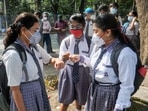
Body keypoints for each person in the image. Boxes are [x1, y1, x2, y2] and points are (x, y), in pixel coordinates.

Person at [69, 14, 137, 111]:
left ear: (108, 32)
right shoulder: (100, 46)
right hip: (95, 90)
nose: (94, 35)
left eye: (96, 31)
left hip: (110, 96)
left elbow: (127, 85)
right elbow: (97, 65)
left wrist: (119, 107)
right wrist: (82, 59)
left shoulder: (125, 54)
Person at [2, 12, 64, 111]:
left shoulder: (34, 46)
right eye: (35, 30)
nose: (37, 34)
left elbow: (49, 60)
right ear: (23, 30)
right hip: (24, 96)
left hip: (38, 89)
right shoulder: (13, 54)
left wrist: (57, 61)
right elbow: (15, 89)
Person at [58, 13, 91, 111]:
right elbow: (60, 61)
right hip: (68, 71)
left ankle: (78, 109)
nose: (75, 29)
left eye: (78, 26)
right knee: (65, 100)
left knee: (80, 99)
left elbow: (92, 61)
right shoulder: (66, 41)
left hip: (83, 72)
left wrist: (82, 58)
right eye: (72, 26)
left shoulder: (89, 43)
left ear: (83, 26)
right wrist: (64, 58)